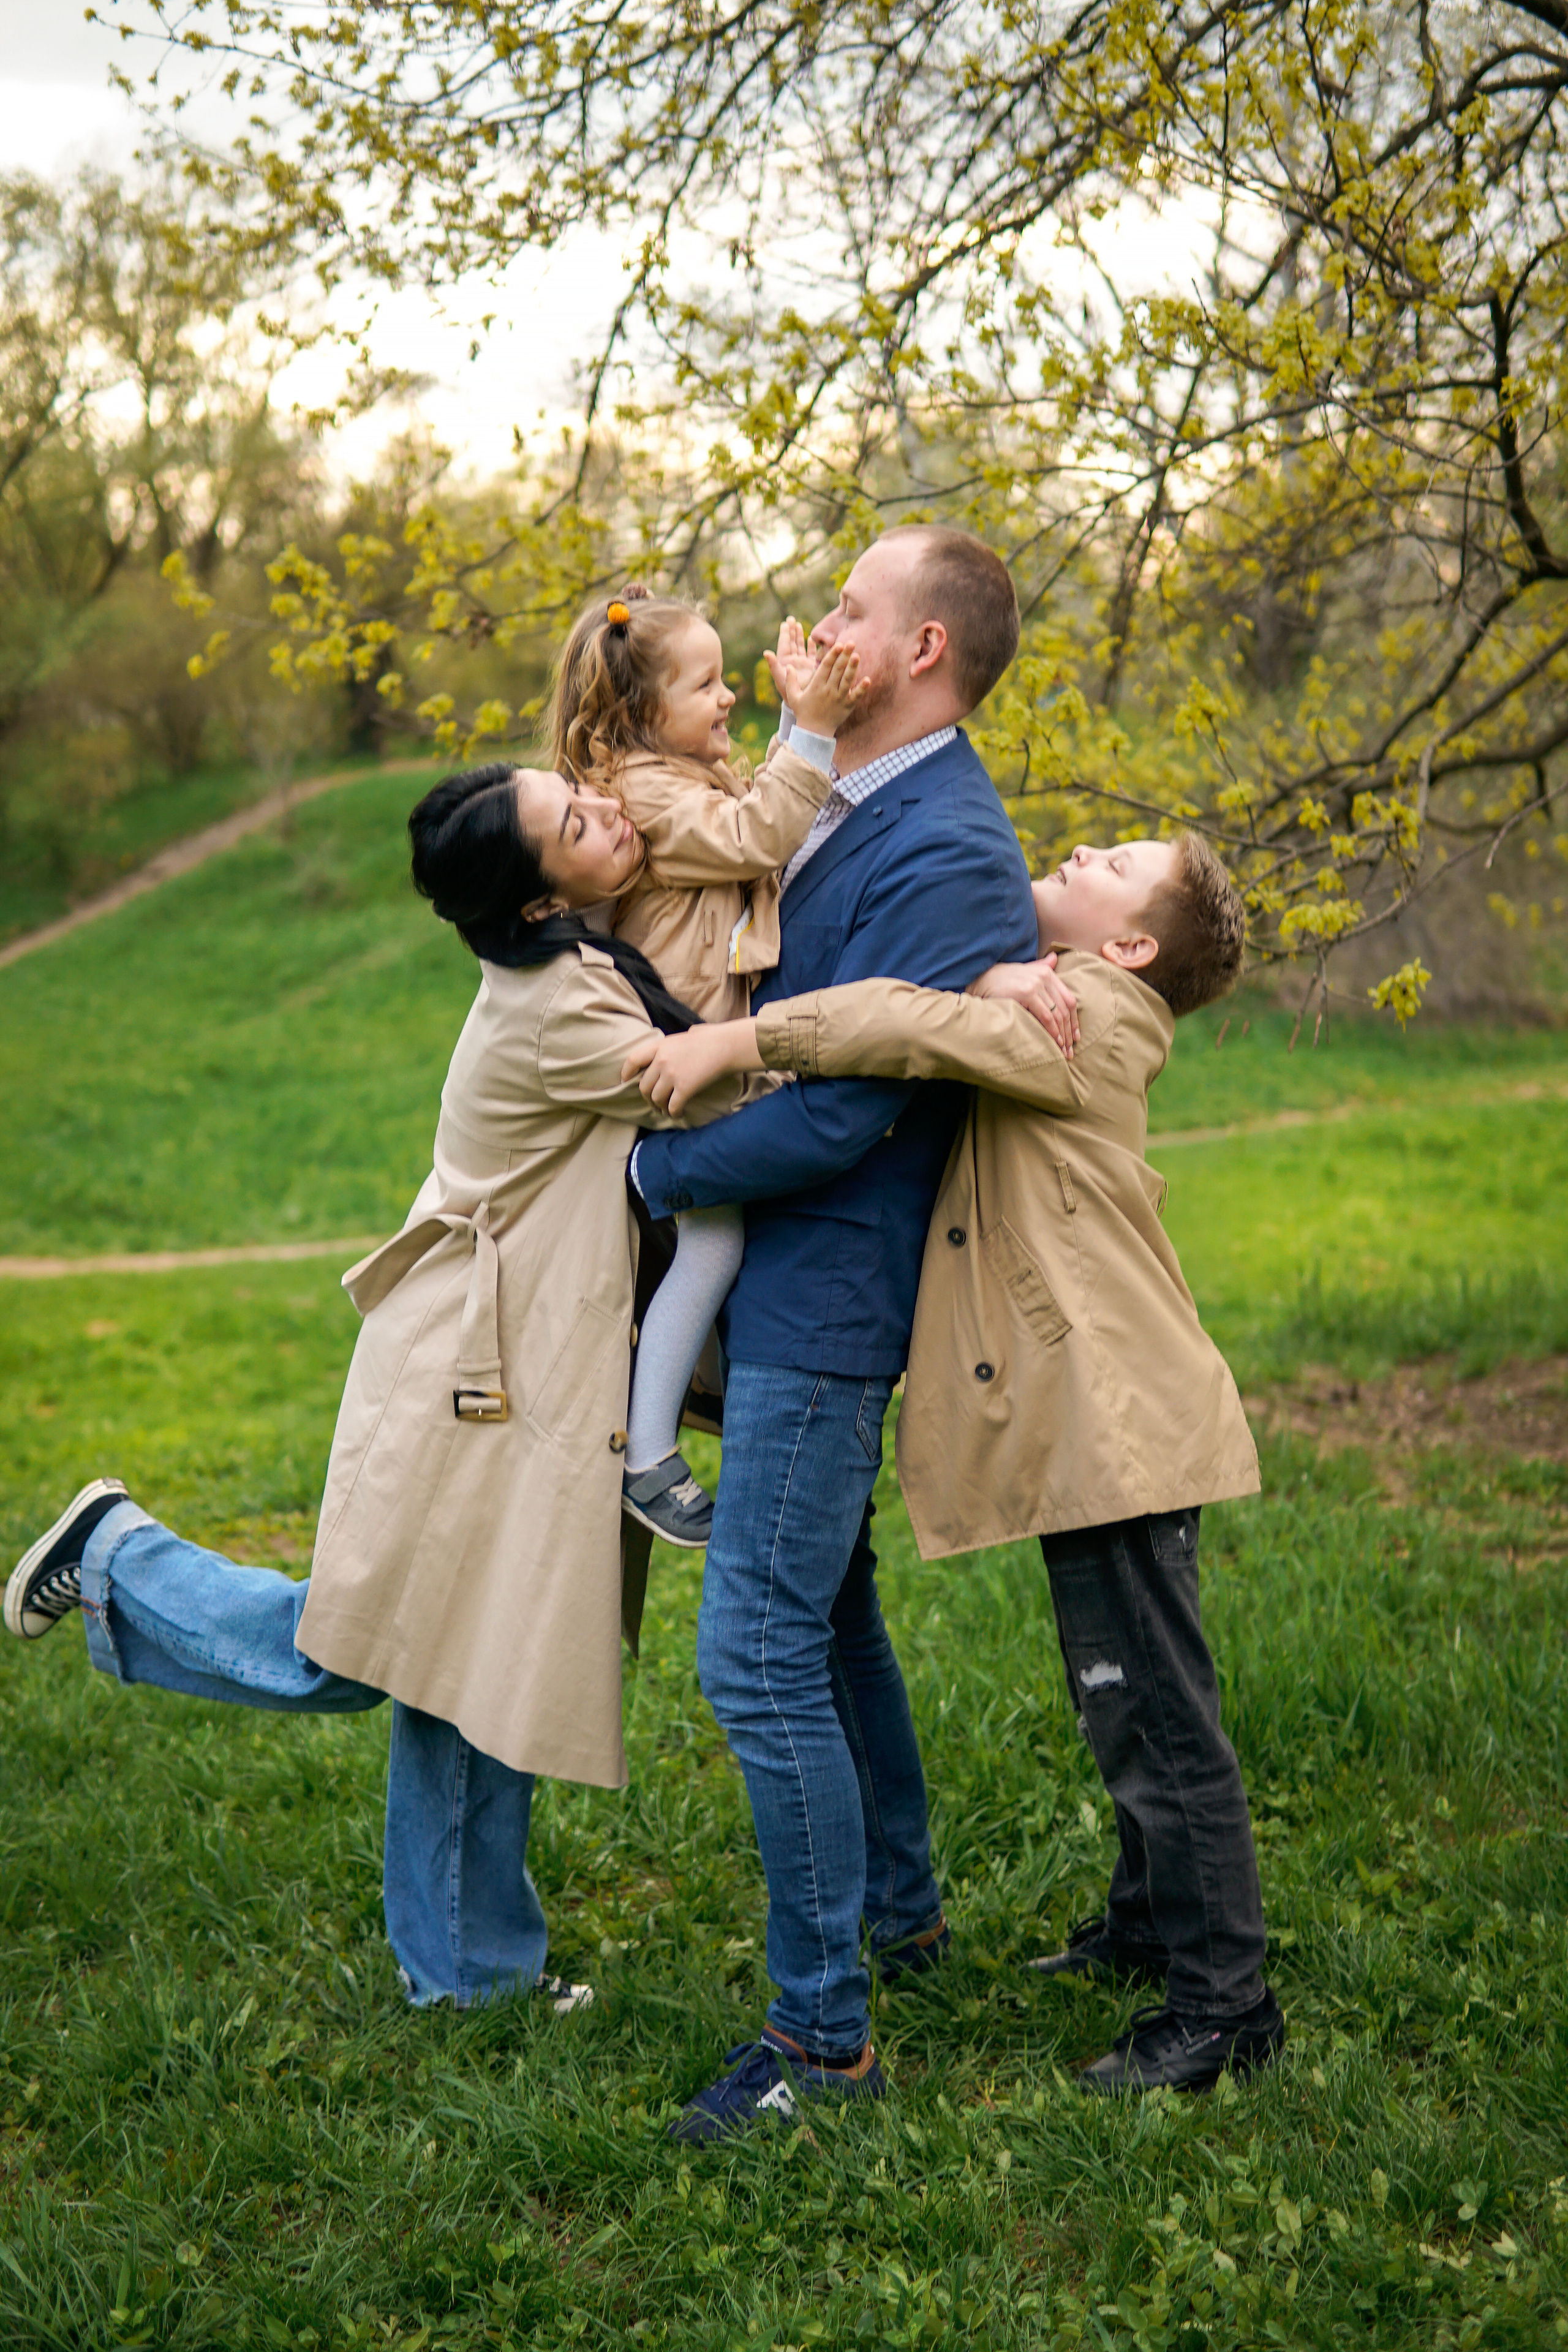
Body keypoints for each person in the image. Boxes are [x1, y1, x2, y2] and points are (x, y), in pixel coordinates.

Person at [4, 766, 760, 2011]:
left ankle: (467, 1972)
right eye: (575, 821)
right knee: (368, 1652)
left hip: (512, 1357)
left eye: (580, 793)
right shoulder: (553, 1010)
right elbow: (716, 1084)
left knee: (478, 1645)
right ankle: (119, 1557)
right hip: (471, 1366)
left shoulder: (563, 961)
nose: (605, 814)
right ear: (528, 902)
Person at [627, 831, 1284, 2095]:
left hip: (1120, 1423)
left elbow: (903, 1026)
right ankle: (1150, 1929)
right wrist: (990, 976)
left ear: (1127, 947)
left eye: (1113, 863)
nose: (1079, 845)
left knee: (1154, 1712)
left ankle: (1223, 2007)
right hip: (1097, 1418)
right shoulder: (1060, 998)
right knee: (1120, 1693)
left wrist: (734, 1044)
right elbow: (954, 1002)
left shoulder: (1081, 1017)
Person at [626, 526, 1042, 2140]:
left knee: (753, 1652)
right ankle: (907, 1916)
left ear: (923, 649)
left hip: (827, 1296)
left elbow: (842, 1120)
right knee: (831, 1606)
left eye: (856, 608)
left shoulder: (951, 849)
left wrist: (652, 1168)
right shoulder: (850, 800)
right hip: (784, 1274)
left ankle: (824, 2042)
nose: (823, 624)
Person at [548, 586, 868, 1545]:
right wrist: (807, 731)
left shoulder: (676, 776)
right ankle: (646, 1457)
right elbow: (756, 837)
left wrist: (794, 731)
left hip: (708, 1055)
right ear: (646, 716)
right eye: (709, 684)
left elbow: (764, 819)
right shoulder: (646, 795)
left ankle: (691, 1417)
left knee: (720, 1247)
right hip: (684, 1062)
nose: (729, 696)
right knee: (715, 1246)